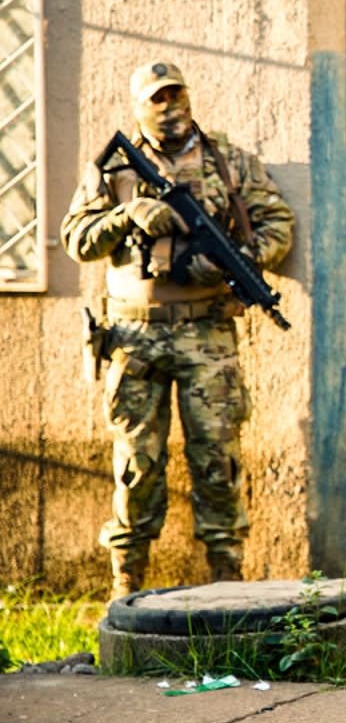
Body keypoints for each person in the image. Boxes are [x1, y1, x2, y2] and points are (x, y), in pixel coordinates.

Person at [61, 62, 294, 596]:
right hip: (134, 338)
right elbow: (77, 239)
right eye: (157, 99)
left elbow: (278, 222)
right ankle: (126, 586)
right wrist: (127, 216)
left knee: (218, 458)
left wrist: (238, 260)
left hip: (207, 334)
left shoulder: (227, 162)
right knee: (138, 465)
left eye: (176, 95)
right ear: (139, 106)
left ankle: (227, 583)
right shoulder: (111, 170)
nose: (170, 108)